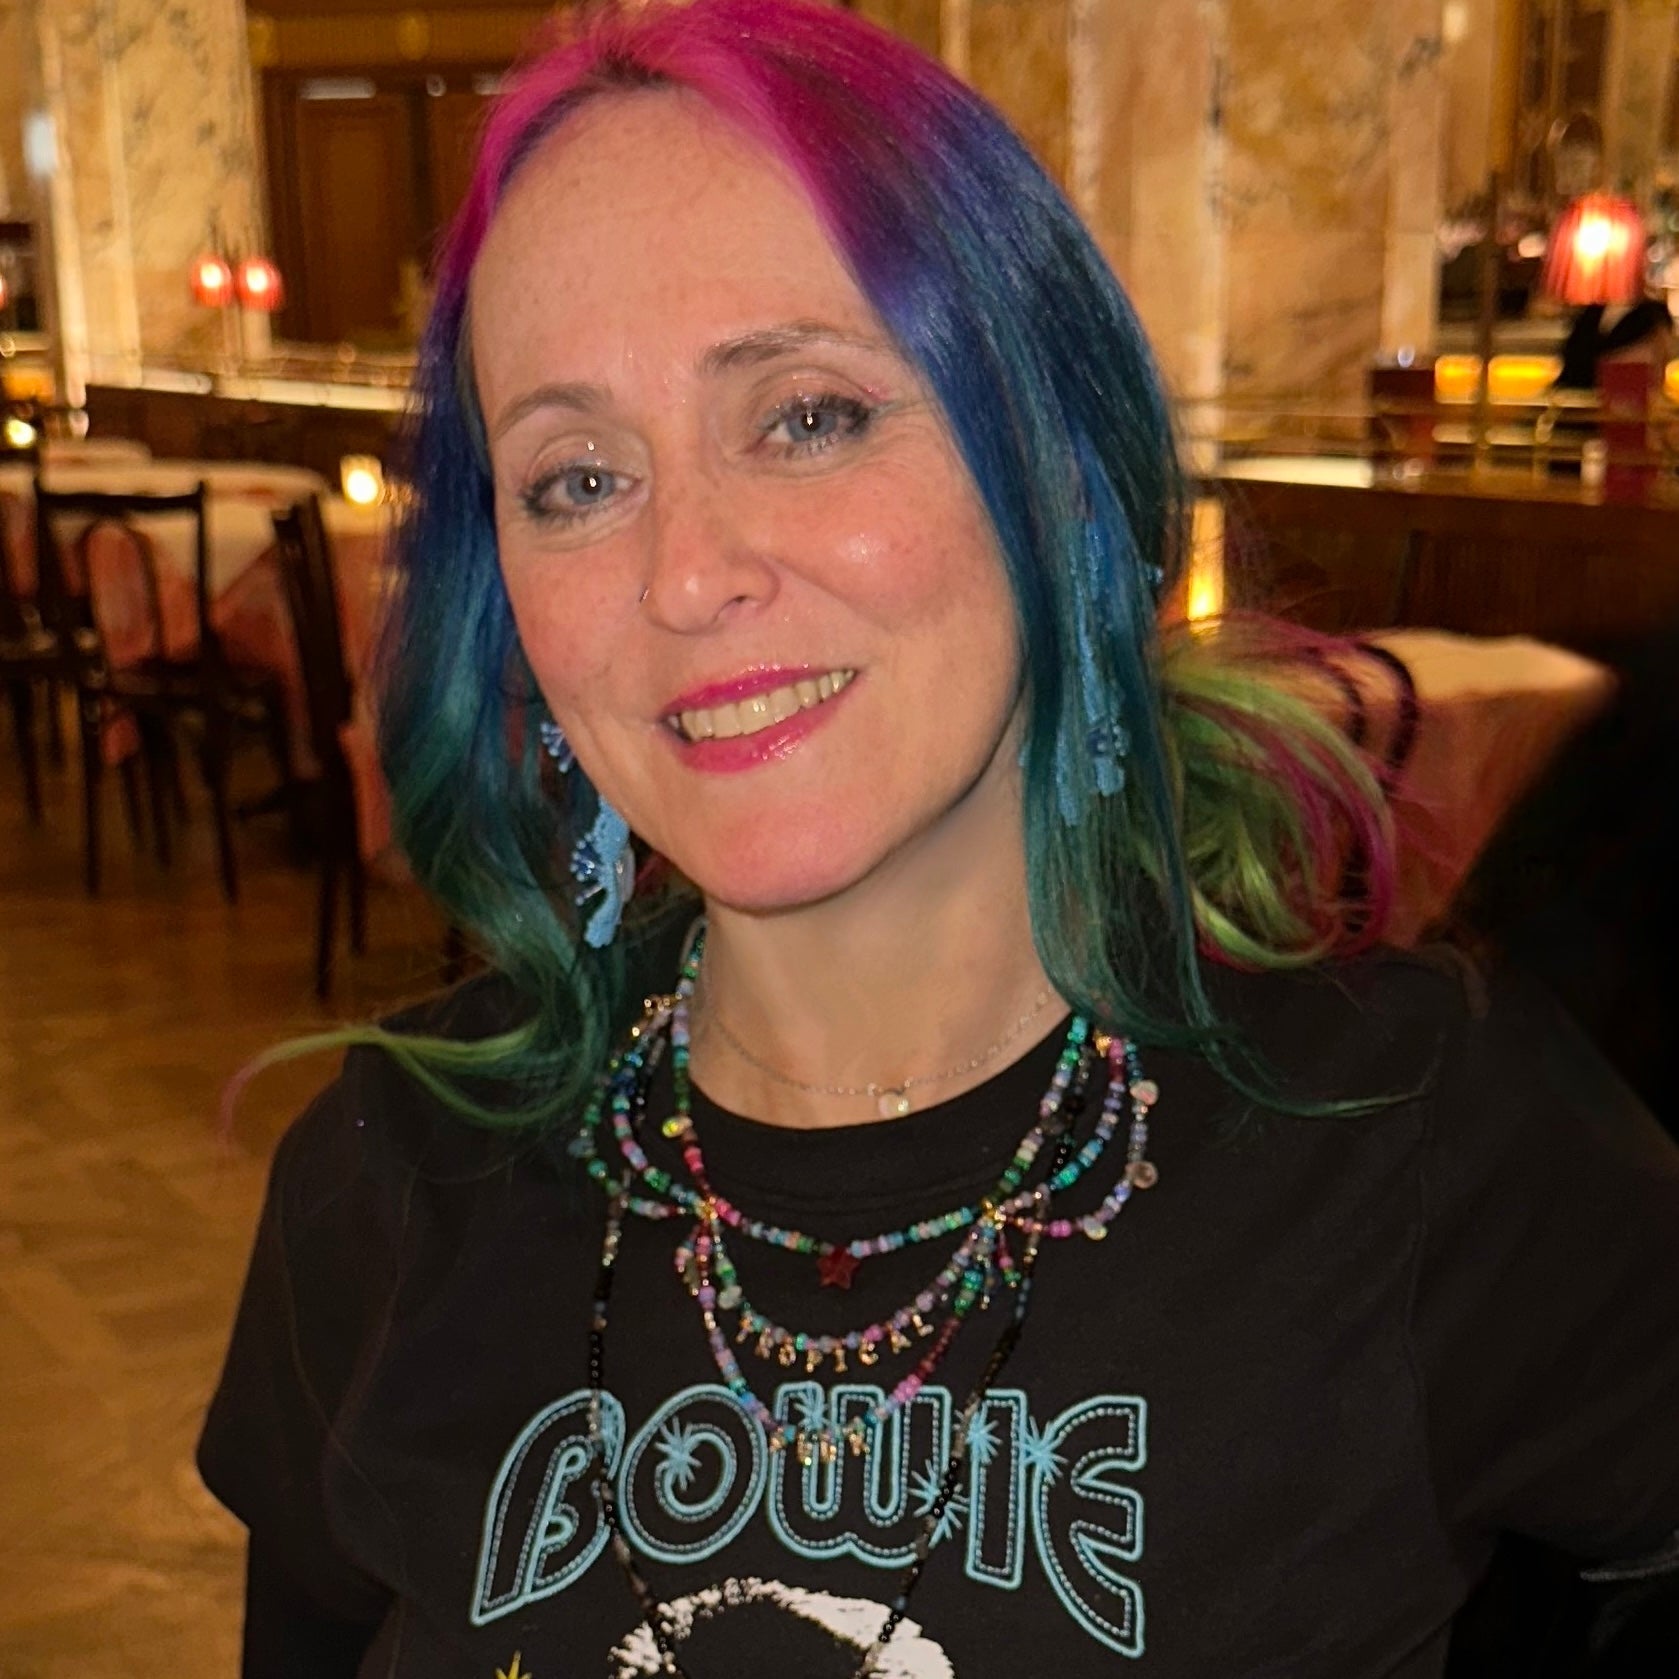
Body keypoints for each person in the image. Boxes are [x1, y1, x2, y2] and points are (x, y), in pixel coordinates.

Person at [197, 3, 1679, 1675]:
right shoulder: (388, 1182)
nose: (686, 574)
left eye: (807, 416)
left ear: (1066, 474)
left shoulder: (1423, 1148)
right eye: (578, 480)